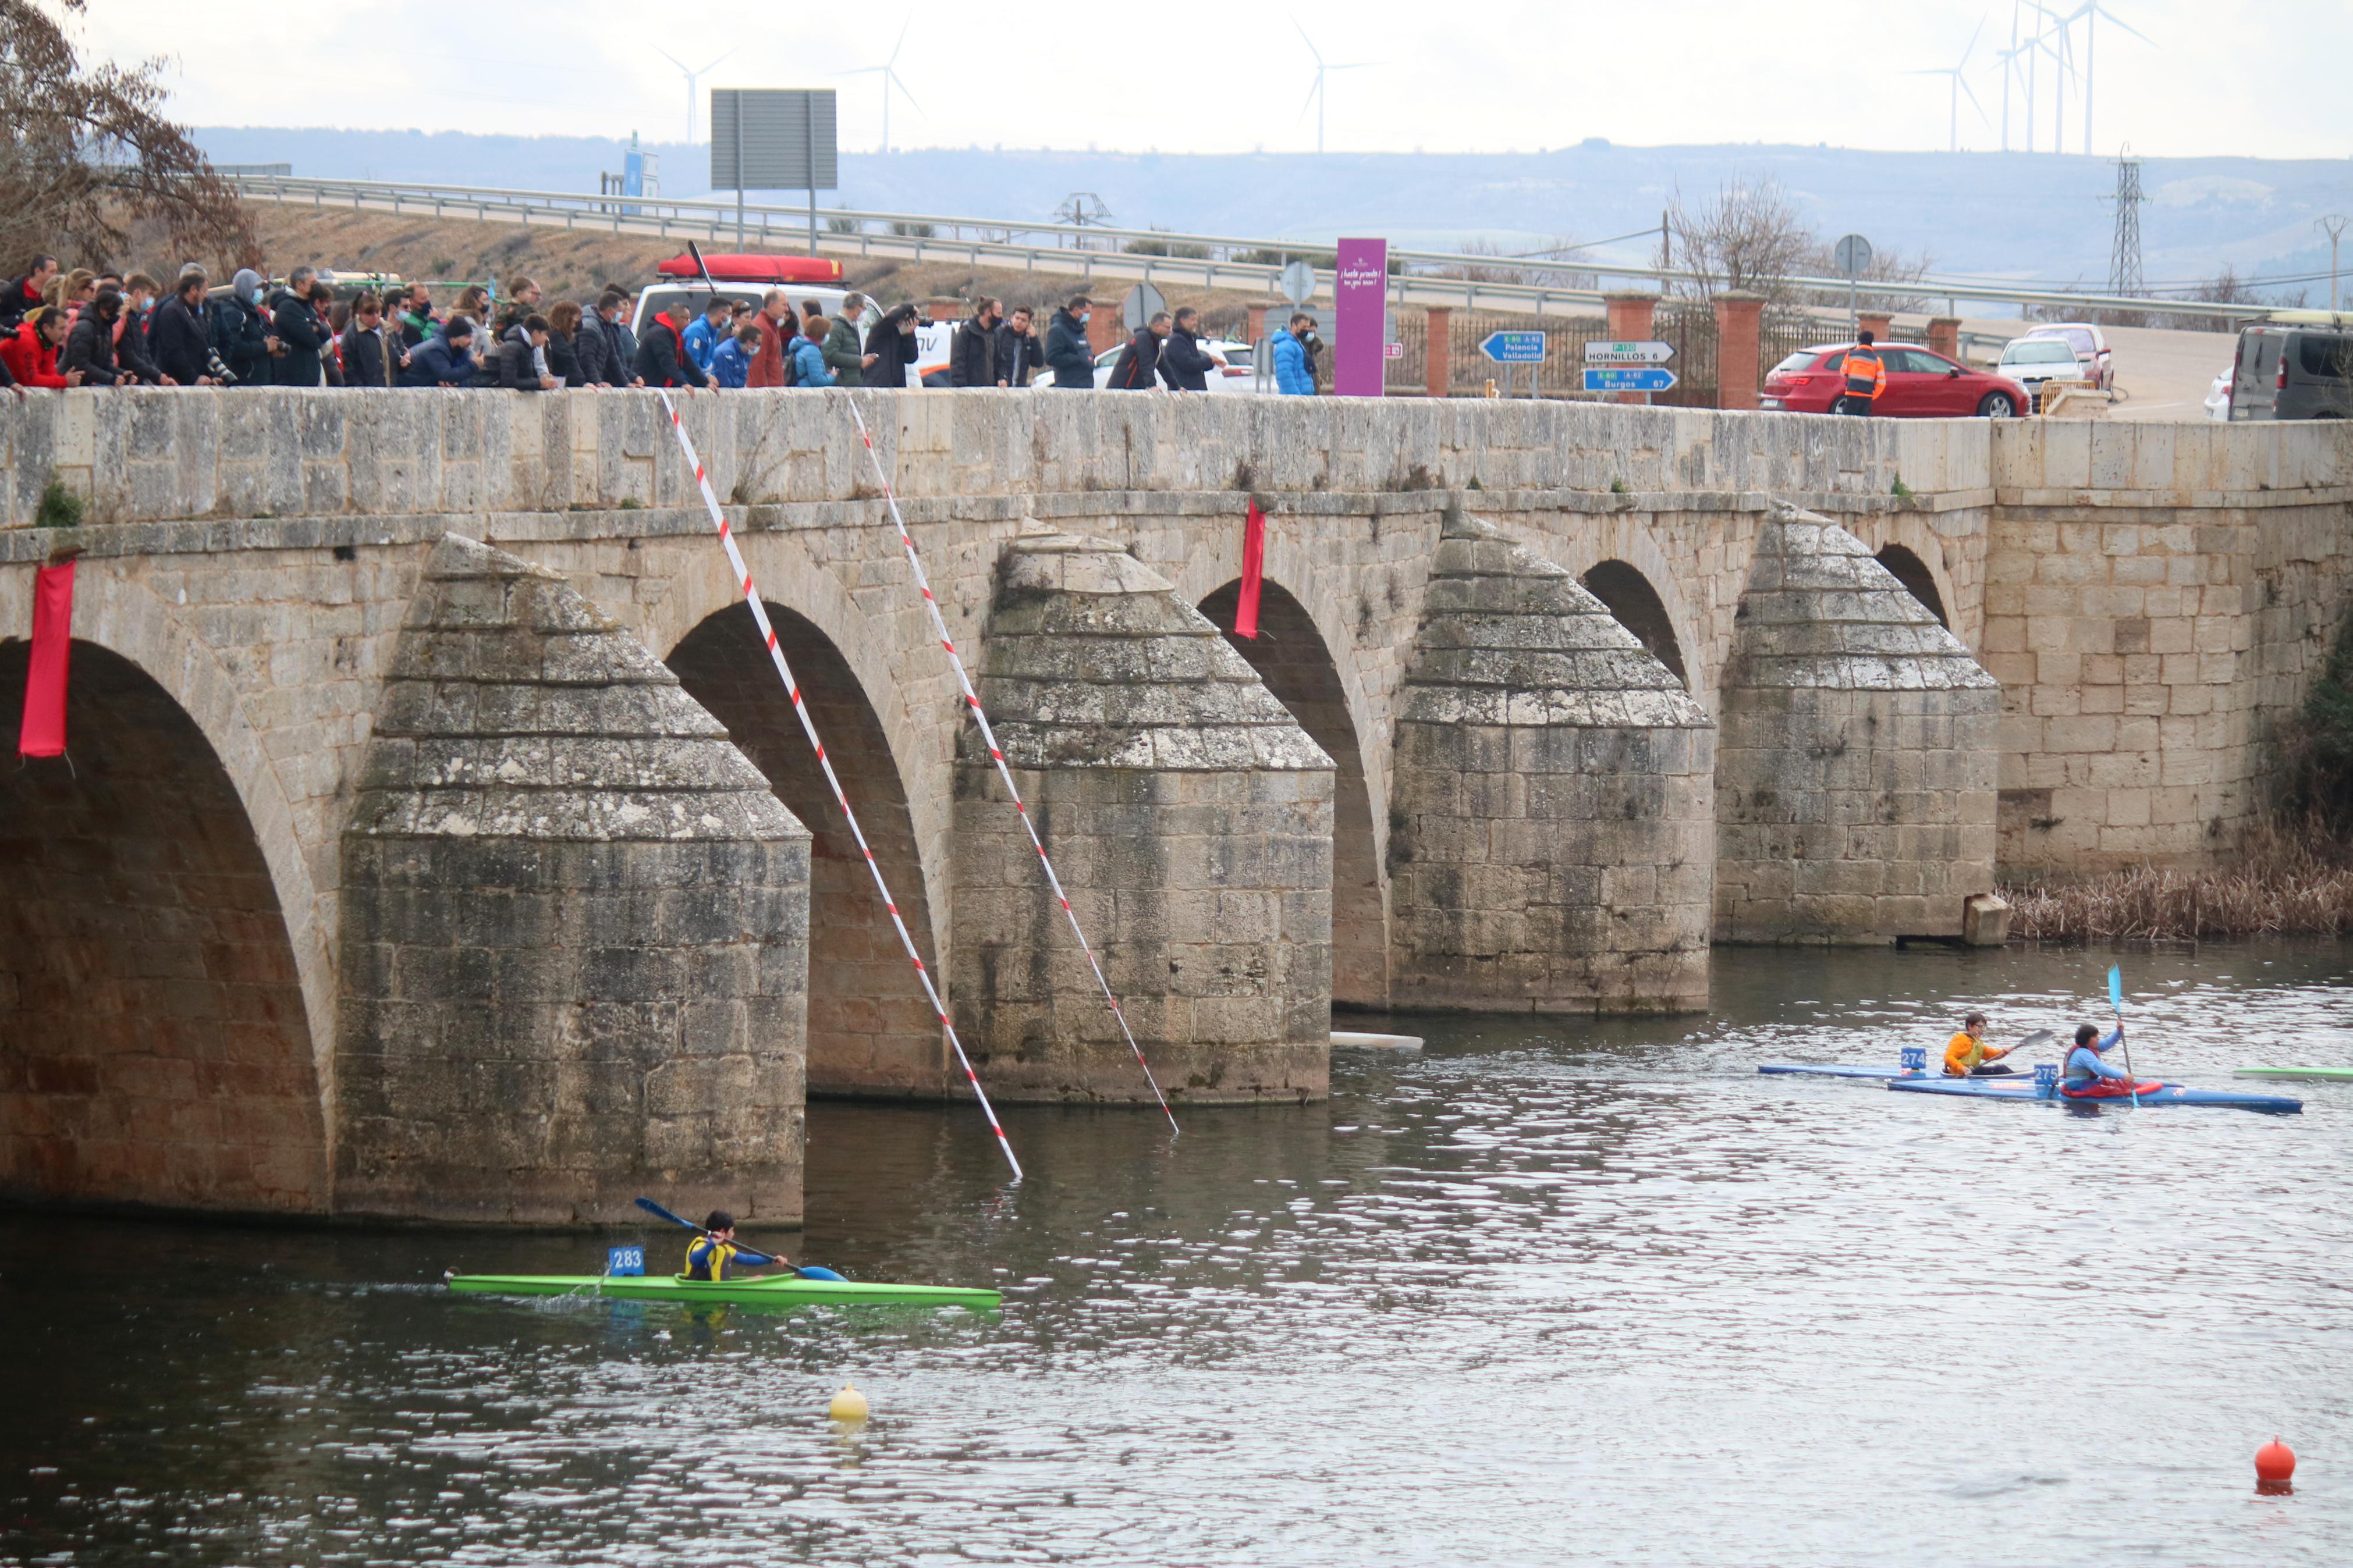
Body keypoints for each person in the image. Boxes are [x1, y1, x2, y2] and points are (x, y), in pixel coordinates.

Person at [212, 268, 278, 386]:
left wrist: (273, 347)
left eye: (261, 288)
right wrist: (264, 347)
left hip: (261, 379)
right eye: (257, 287)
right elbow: (234, 346)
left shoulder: (255, 312)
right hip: (244, 379)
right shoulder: (233, 313)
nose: (260, 292)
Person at [150, 272, 217, 386]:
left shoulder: (195, 313)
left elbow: (203, 347)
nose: (206, 296)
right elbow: (174, 350)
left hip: (196, 379)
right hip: (178, 381)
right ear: (193, 290)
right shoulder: (172, 312)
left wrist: (212, 376)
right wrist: (194, 377)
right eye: (204, 291)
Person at [681, 1212, 786, 1281]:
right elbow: (693, 1259)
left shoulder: (725, 1248)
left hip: (719, 1289)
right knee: (757, 1279)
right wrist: (712, 1244)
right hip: (704, 1293)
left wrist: (771, 1259)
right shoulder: (703, 1245)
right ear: (723, 1232)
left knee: (758, 1279)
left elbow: (747, 1259)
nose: (733, 1233)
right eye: (732, 1230)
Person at [1, 305, 84, 388]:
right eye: (61, 329)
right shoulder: (26, 340)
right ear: (46, 328)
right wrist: (64, 381)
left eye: (66, 329)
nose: (66, 334)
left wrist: (65, 380)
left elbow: (49, 374)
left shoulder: (49, 342)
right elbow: (31, 380)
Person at [270, 273, 330, 387]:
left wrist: (317, 327)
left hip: (310, 374)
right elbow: (313, 340)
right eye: (313, 283)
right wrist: (316, 329)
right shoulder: (288, 307)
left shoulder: (307, 307)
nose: (316, 286)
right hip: (294, 376)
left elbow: (327, 332)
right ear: (300, 285)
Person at [634, 301, 708, 388]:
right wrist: (682, 383)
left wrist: (706, 383)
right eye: (687, 319)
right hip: (646, 385)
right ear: (678, 318)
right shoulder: (659, 333)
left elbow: (687, 362)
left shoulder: (675, 336)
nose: (689, 323)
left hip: (659, 387)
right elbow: (667, 360)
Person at [2059, 1021, 2136, 1096]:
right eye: (2095, 1037)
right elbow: (2100, 1069)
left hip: (2088, 1083)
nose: (2098, 1039)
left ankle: (2134, 1088)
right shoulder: (2082, 1054)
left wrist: (2119, 1031)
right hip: (2077, 1087)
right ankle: (2131, 1093)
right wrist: (2123, 1076)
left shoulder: (2089, 1046)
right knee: (2117, 1091)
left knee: (2121, 1084)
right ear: (2087, 1039)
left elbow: (2106, 1043)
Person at [1157, 306, 1225, 391]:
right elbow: (1188, 364)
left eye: (1196, 320)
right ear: (1183, 321)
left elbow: (1197, 362)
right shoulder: (1177, 340)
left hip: (1195, 390)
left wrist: (1213, 363)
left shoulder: (1189, 339)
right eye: (1193, 320)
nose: (1196, 323)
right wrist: (1209, 360)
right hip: (1185, 391)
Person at [401, 315, 479, 387]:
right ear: (454, 339)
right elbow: (446, 375)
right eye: (468, 337)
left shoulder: (455, 348)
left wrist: (455, 381)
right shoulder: (436, 349)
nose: (471, 341)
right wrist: (473, 365)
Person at [340, 290, 396, 387]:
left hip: (390, 388)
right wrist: (359, 387)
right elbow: (347, 364)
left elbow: (398, 352)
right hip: (364, 391)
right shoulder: (352, 334)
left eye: (378, 312)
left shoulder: (389, 330)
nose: (375, 317)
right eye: (370, 313)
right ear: (360, 313)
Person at [492, 314, 560, 390]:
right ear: (536, 334)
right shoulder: (512, 348)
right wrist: (540, 383)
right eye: (545, 334)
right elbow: (509, 382)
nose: (546, 339)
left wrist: (544, 380)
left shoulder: (528, 347)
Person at [823, 293, 877, 387]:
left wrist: (864, 359)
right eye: (864, 309)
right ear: (857, 308)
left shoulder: (851, 326)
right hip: (842, 384)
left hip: (851, 383)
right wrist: (859, 361)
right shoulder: (836, 326)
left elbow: (849, 351)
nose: (865, 313)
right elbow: (829, 354)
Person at [1942, 1011, 2016, 1077]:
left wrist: (2004, 1052)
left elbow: (1992, 1055)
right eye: (1979, 1027)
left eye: (1983, 1027)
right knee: (2000, 1069)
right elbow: (1948, 1057)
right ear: (1970, 1026)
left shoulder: (1977, 1042)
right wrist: (1962, 1068)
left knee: (2001, 1068)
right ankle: (2017, 1082)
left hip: (1971, 1073)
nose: (1982, 1030)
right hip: (1960, 1075)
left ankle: (2016, 1079)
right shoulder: (1961, 1039)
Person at [1108, 311, 1169, 389]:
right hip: (1124, 387)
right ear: (1157, 326)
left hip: (1137, 388)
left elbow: (1164, 366)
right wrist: (1152, 385)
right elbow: (1146, 363)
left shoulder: (1156, 342)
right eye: (1167, 327)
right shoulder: (1143, 338)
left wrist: (1176, 387)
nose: (1170, 330)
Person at [1044, 296, 1095, 390]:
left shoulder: (1078, 329)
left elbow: (1082, 350)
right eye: (1086, 312)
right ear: (1076, 310)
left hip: (1085, 385)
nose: (1088, 316)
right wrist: (1079, 359)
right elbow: (1051, 357)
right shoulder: (1058, 329)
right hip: (1069, 386)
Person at [747, 287, 795, 388]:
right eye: (784, 305)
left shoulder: (771, 325)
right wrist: (764, 394)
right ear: (772, 305)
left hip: (774, 389)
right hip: (767, 392)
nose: (787, 309)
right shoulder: (762, 327)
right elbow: (757, 365)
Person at [595, 290, 644, 387]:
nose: (629, 313)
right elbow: (590, 360)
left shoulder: (610, 327)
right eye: (622, 311)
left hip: (615, 381)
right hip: (608, 382)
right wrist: (596, 381)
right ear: (610, 310)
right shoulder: (600, 328)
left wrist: (626, 382)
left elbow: (614, 358)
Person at [866, 303, 921, 388]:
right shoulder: (878, 329)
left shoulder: (899, 335)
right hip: (877, 383)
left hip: (895, 385)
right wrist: (910, 308)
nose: (901, 321)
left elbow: (911, 358)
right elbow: (892, 319)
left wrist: (910, 335)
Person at [950, 297, 1002, 387]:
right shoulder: (966, 334)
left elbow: (1000, 361)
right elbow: (957, 364)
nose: (1001, 317)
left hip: (991, 391)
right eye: (999, 313)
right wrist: (963, 390)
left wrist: (1002, 378)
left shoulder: (995, 334)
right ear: (988, 313)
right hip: (970, 392)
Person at [1, 253, 57, 332]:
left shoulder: (54, 295)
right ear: (38, 271)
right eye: (52, 272)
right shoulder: (10, 292)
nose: (56, 276)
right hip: (15, 340)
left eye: (56, 272)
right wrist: (22, 319)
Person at [995, 304, 1047, 387]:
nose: (1019, 322)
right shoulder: (1001, 333)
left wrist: (1034, 339)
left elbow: (1038, 363)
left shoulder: (1028, 339)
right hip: (1001, 385)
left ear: (1029, 323)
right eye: (1017, 318)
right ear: (1012, 318)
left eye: (1023, 320)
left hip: (1019, 386)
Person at [1836, 329, 1886, 416]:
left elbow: (1843, 373)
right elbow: (1882, 383)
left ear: (1860, 341)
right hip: (1867, 397)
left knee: (1848, 422)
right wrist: (1873, 396)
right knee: (1862, 423)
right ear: (1871, 342)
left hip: (1852, 394)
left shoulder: (1851, 355)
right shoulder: (1877, 360)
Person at [682, 294, 729, 374]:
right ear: (721, 314)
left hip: (703, 383)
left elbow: (709, 362)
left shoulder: (713, 331)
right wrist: (706, 379)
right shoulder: (697, 331)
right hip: (692, 384)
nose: (730, 318)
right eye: (729, 314)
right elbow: (691, 362)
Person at [1272, 312, 1318, 394]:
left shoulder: (1297, 344)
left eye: (1308, 327)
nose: (1307, 330)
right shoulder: (1286, 346)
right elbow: (1285, 375)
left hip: (1304, 398)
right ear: (1294, 326)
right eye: (1304, 327)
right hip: (1296, 401)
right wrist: (1296, 399)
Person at [544, 300, 587, 386]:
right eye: (574, 322)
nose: (574, 326)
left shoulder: (552, 334)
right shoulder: (556, 337)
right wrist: (582, 383)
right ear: (566, 320)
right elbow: (569, 359)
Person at [710, 321, 761, 387]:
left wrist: (733, 380)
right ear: (749, 343)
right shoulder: (726, 353)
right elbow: (724, 382)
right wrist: (735, 381)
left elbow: (743, 380)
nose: (759, 346)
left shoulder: (747, 354)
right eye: (758, 343)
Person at [792, 315, 837, 388]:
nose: (828, 336)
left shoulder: (801, 346)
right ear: (820, 333)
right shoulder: (812, 351)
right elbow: (818, 381)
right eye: (826, 333)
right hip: (807, 391)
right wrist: (833, 376)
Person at [494, 275, 542, 342]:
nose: (530, 295)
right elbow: (499, 325)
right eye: (529, 293)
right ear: (520, 294)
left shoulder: (529, 308)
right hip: (513, 340)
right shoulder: (508, 309)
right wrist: (498, 339)